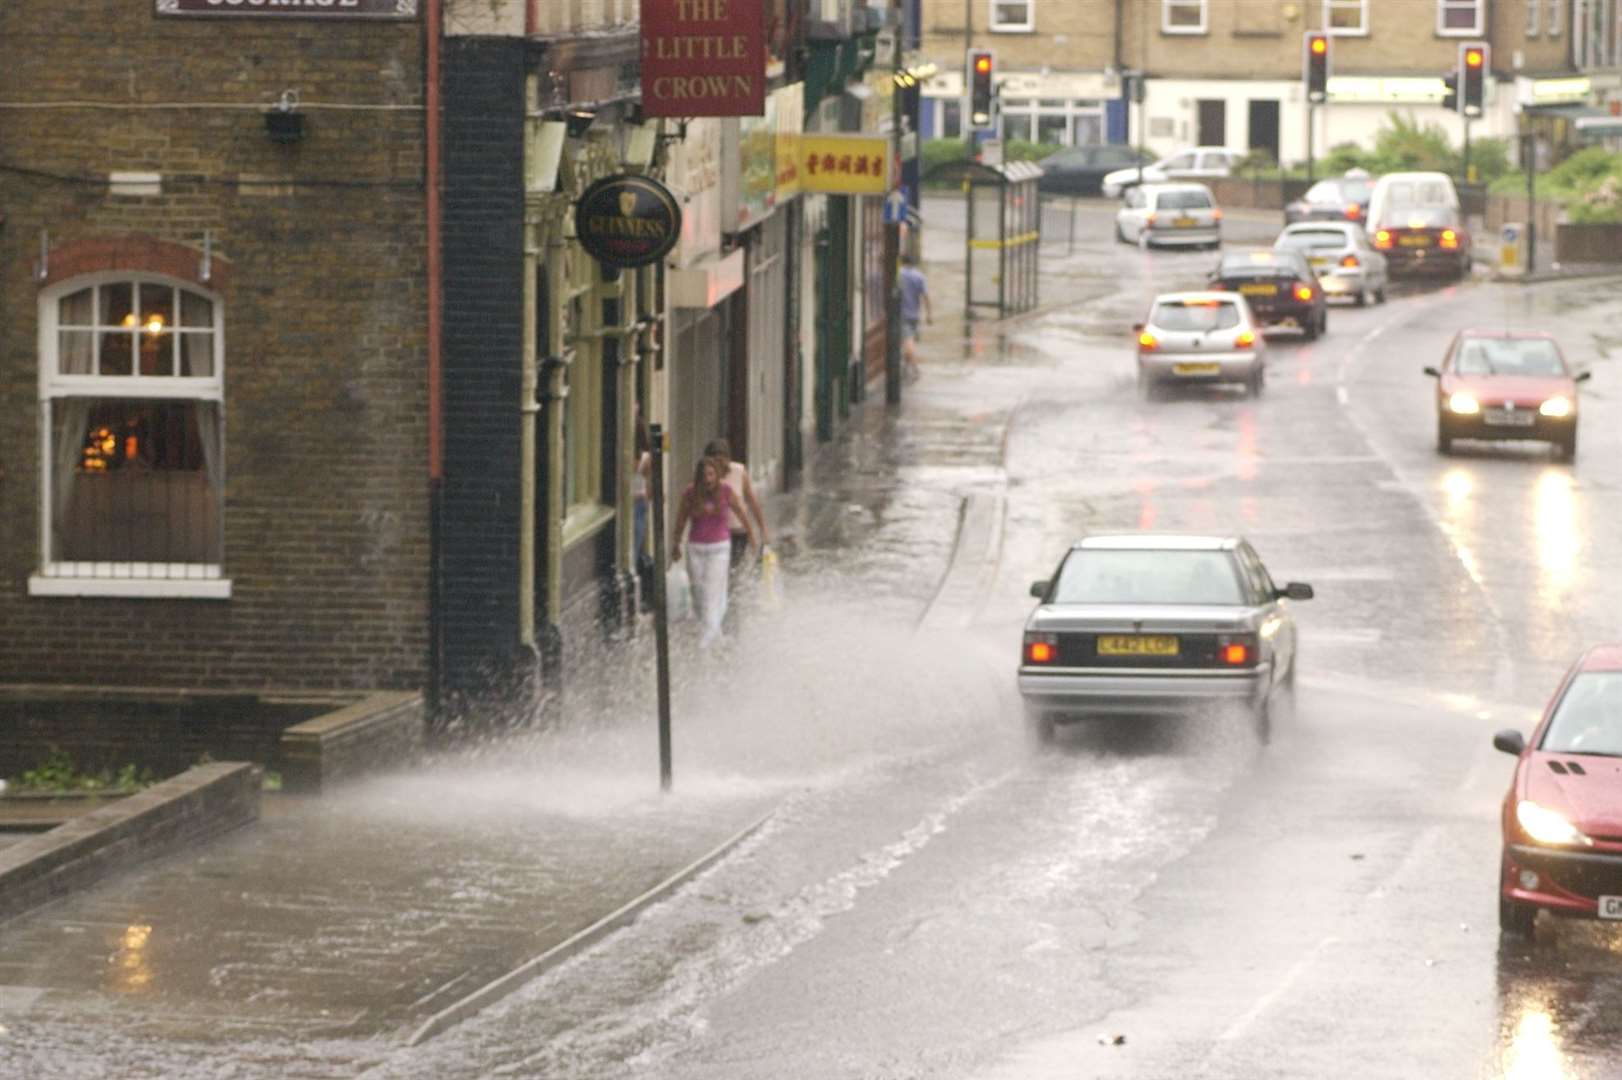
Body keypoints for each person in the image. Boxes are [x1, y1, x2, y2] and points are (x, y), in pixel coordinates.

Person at [670, 456, 757, 646]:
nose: (708, 479)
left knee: (711, 589)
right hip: (696, 548)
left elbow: (742, 513)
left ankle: (706, 638)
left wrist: (751, 535)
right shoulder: (690, 493)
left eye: (710, 474)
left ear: (716, 475)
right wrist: (675, 544)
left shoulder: (726, 492)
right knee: (699, 593)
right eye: (703, 476)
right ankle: (713, 630)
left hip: (719, 549)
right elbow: (681, 519)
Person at [703, 438, 768, 570]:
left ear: (727, 459)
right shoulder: (707, 476)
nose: (719, 465)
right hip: (716, 533)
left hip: (738, 532)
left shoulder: (739, 472)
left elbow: (752, 502)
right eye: (715, 461)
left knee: (733, 569)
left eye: (722, 460)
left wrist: (762, 529)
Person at [898, 254, 932, 379]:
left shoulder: (898, 275)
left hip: (901, 314)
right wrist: (929, 314)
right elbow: (926, 296)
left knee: (907, 341)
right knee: (910, 339)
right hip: (914, 314)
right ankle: (907, 367)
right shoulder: (919, 276)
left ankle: (914, 367)